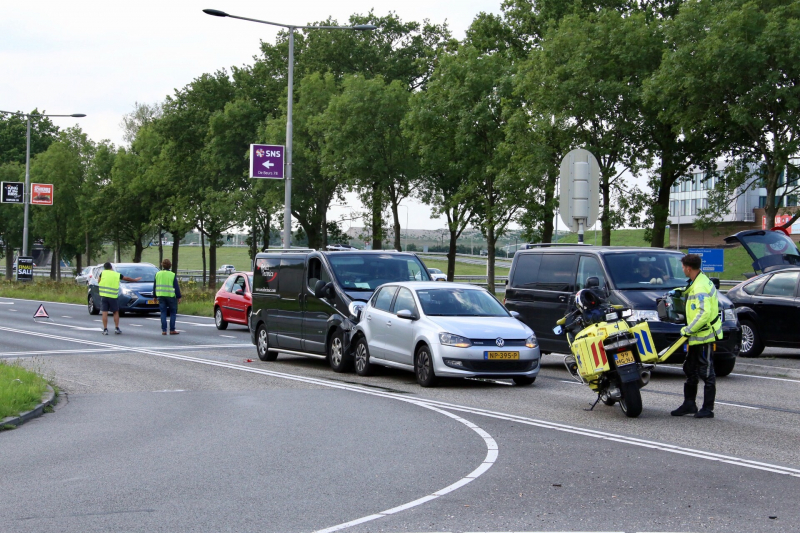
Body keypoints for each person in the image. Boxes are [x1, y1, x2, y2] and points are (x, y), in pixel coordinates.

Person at [671, 254, 722, 419]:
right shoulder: (698, 282)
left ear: (688, 268)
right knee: (690, 368)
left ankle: (707, 409)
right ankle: (689, 404)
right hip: (697, 335)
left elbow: (704, 313)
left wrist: (688, 329)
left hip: (703, 335)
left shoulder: (700, 286)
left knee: (706, 371)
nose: (682, 269)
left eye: (683, 267)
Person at [98, 262, 141, 335]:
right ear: (111, 267)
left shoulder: (102, 274)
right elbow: (126, 278)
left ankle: (105, 329)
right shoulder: (116, 274)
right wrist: (135, 280)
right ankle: (116, 328)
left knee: (104, 312)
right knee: (115, 312)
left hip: (104, 296)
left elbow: (98, 281)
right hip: (113, 296)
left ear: (105, 268)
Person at [154, 258, 182, 335]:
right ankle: (172, 329)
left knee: (163, 312)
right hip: (170, 296)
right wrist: (179, 296)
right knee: (173, 312)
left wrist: (155, 296)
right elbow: (176, 287)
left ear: (162, 265)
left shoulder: (158, 274)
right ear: (170, 265)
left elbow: (155, 286)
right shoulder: (172, 274)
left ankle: (164, 330)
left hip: (161, 296)